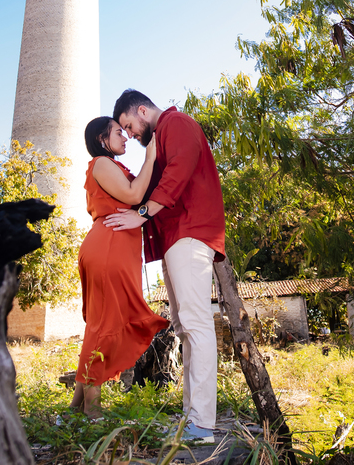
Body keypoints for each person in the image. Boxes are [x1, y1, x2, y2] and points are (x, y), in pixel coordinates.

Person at [103, 89, 226, 444]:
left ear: (142, 110)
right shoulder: (161, 136)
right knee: (186, 327)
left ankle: (202, 424)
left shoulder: (176, 123)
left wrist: (140, 215)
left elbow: (179, 171)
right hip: (176, 237)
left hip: (190, 234)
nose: (131, 134)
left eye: (130, 125)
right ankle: (193, 418)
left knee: (196, 325)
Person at [70, 116, 170, 418]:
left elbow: (136, 193)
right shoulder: (101, 164)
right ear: (102, 139)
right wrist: (150, 156)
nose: (126, 137)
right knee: (104, 325)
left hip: (116, 248)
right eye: (118, 133)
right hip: (108, 247)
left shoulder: (114, 166)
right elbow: (133, 195)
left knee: (100, 324)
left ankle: (75, 407)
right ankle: (93, 409)